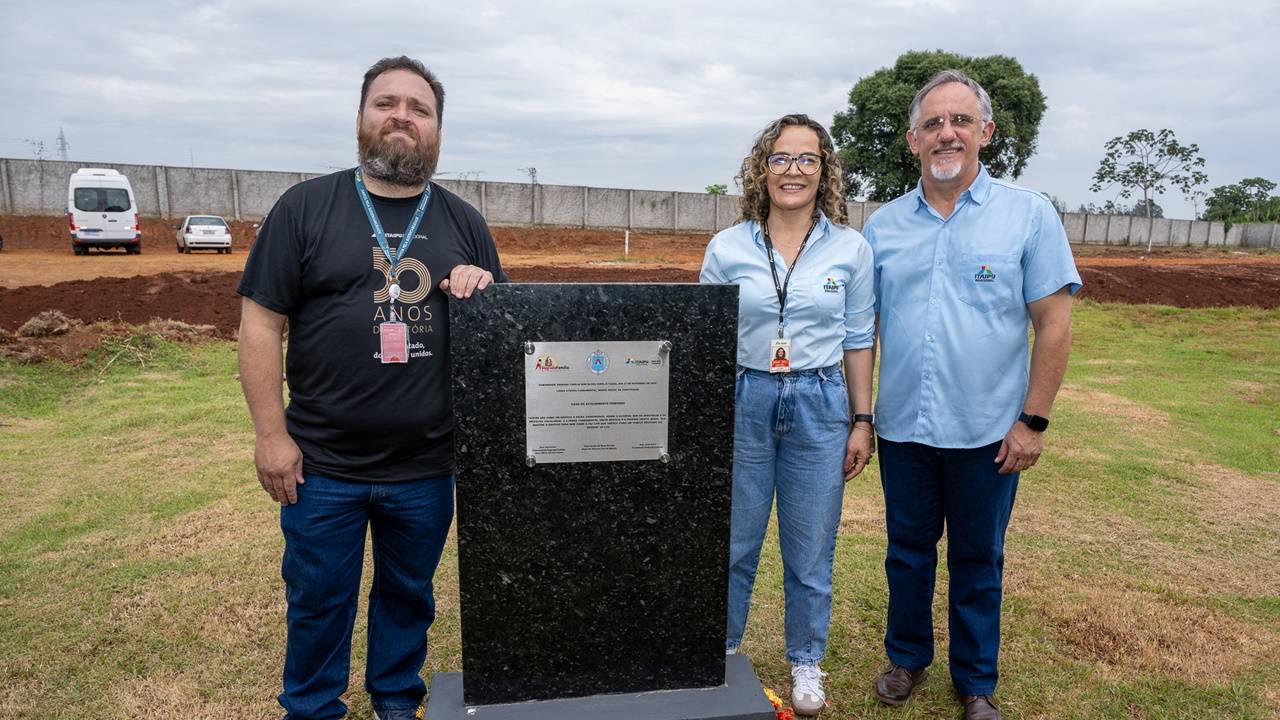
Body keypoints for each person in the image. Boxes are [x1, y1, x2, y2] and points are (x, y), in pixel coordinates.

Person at [237, 56, 505, 720]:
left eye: (419, 108)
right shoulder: (305, 208)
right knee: (318, 596)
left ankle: (394, 700)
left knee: (408, 595)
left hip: (424, 465)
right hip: (321, 463)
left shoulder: (464, 222)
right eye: (387, 103)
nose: (402, 118)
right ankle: (312, 707)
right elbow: (260, 323)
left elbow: (497, 333)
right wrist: (272, 437)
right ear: (360, 118)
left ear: (438, 129)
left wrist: (481, 290)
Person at [861, 70, 1080, 720]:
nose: (946, 133)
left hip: (989, 433)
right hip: (904, 430)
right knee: (906, 552)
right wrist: (860, 414)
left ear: (985, 132)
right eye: (933, 123)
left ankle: (975, 681)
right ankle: (906, 657)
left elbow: (1054, 323)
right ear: (913, 140)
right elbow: (861, 331)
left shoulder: (1027, 215)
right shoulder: (884, 227)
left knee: (978, 559)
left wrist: (1033, 421)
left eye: (960, 120)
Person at [700, 114, 876, 716]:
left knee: (809, 549)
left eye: (806, 159)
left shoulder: (851, 248)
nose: (793, 170)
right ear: (762, 168)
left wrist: (861, 419)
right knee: (734, 543)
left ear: (823, 170)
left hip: (820, 403)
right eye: (781, 158)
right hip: (743, 399)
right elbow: (707, 340)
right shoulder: (726, 247)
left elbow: (858, 337)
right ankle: (718, 653)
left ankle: (806, 661)